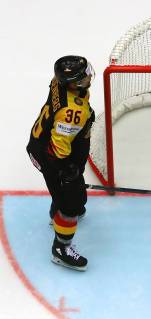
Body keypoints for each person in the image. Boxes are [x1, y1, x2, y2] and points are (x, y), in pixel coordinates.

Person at [27, 56, 95, 271]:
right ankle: (61, 249)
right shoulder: (71, 113)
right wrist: (66, 170)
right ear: (73, 83)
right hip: (52, 155)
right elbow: (58, 149)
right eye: (83, 76)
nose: (88, 76)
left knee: (71, 189)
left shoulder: (59, 83)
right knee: (71, 202)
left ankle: (58, 208)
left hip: (49, 143)